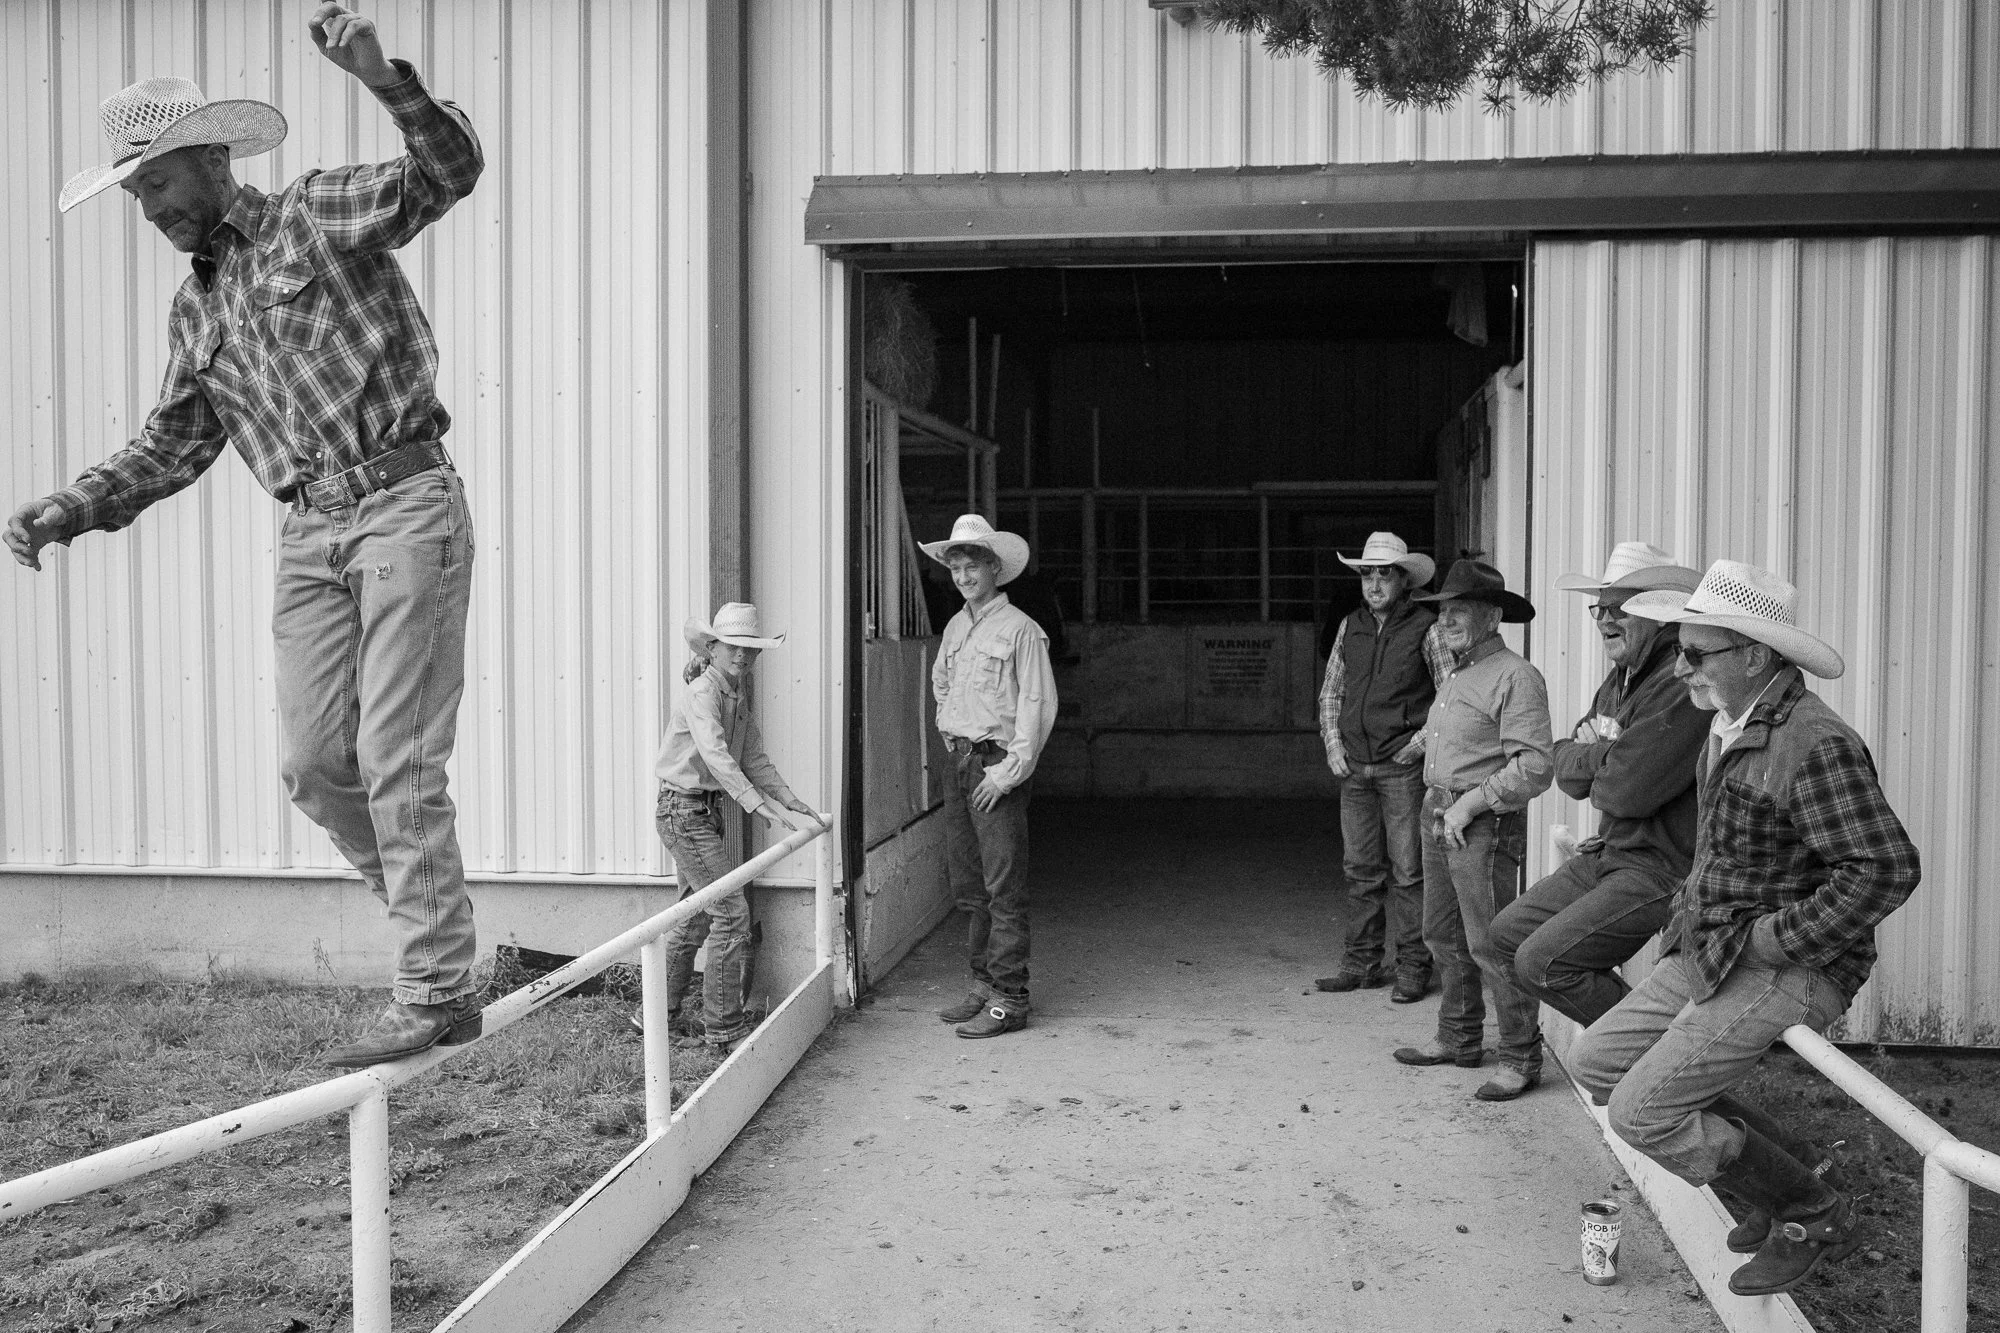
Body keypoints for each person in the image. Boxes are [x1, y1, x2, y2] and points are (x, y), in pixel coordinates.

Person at [5, 6, 486, 1069]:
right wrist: (70, 506)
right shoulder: (195, 311)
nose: (150, 210)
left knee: (394, 756)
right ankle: (432, 922)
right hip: (308, 529)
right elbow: (173, 444)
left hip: (404, 500)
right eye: (134, 196)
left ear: (211, 158)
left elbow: (446, 171)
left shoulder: (313, 216)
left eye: (159, 184)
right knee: (317, 765)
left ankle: (438, 984)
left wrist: (379, 78)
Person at [1568, 560, 1921, 1296]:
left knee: (1639, 1111)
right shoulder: (1729, 724)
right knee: (1597, 1058)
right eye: (1680, 650)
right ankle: (1794, 1167)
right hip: (1716, 947)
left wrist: (1776, 940)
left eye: (1697, 653)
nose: (1682, 667)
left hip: (1786, 965)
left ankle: (1806, 1205)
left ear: (1755, 655)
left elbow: (1885, 869)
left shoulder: (1815, 742)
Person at [1489, 543, 1706, 1027]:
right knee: (1505, 934)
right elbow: (1564, 768)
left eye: (1620, 608)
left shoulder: (1677, 680)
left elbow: (1622, 791)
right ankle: (1643, 1047)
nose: (1604, 619)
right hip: (1611, 852)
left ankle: (1648, 1061)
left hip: (1658, 866)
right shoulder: (1619, 679)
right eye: (1600, 607)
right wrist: (1606, 754)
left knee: (1541, 961)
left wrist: (1599, 755)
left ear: (1654, 610)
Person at [1390, 560, 1553, 1102]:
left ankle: (1519, 1056)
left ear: (1491, 616)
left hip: (1481, 823)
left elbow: (1533, 766)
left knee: (1492, 943)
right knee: (1442, 933)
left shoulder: (1516, 675)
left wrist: (1470, 805)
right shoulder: (1458, 671)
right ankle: (1459, 1038)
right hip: (1438, 811)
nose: (1448, 618)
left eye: (1460, 609)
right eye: (1443, 610)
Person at [652, 604, 824, 1050]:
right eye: (733, 648)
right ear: (712, 648)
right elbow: (715, 754)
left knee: (694, 916)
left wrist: (788, 800)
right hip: (682, 810)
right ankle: (724, 1029)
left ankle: (654, 1018)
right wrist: (754, 805)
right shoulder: (702, 693)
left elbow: (753, 757)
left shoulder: (737, 697)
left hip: (702, 811)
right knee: (730, 913)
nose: (742, 658)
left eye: (751, 650)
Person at [921, 514, 1058, 1039]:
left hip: (995, 764)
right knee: (969, 886)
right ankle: (982, 983)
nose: (962, 574)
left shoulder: (1021, 629)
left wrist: (1007, 771)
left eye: (972, 563)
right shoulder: (958, 626)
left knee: (1004, 887)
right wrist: (951, 732)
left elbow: (1038, 705)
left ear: (995, 568)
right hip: (962, 762)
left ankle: (1010, 997)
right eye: (954, 565)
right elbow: (941, 684)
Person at [1314, 531, 1451, 1001]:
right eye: (1366, 574)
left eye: (1384, 574)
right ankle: (1361, 964)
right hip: (1355, 768)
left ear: (1403, 579)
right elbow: (1333, 689)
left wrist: (1416, 747)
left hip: (1401, 770)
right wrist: (1334, 745)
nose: (1374, 583)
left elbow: (1449, 696)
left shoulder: (1427, 627)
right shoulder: (1349, 625)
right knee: (1360, 870)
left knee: (1410, 872)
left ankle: (1414, 965)